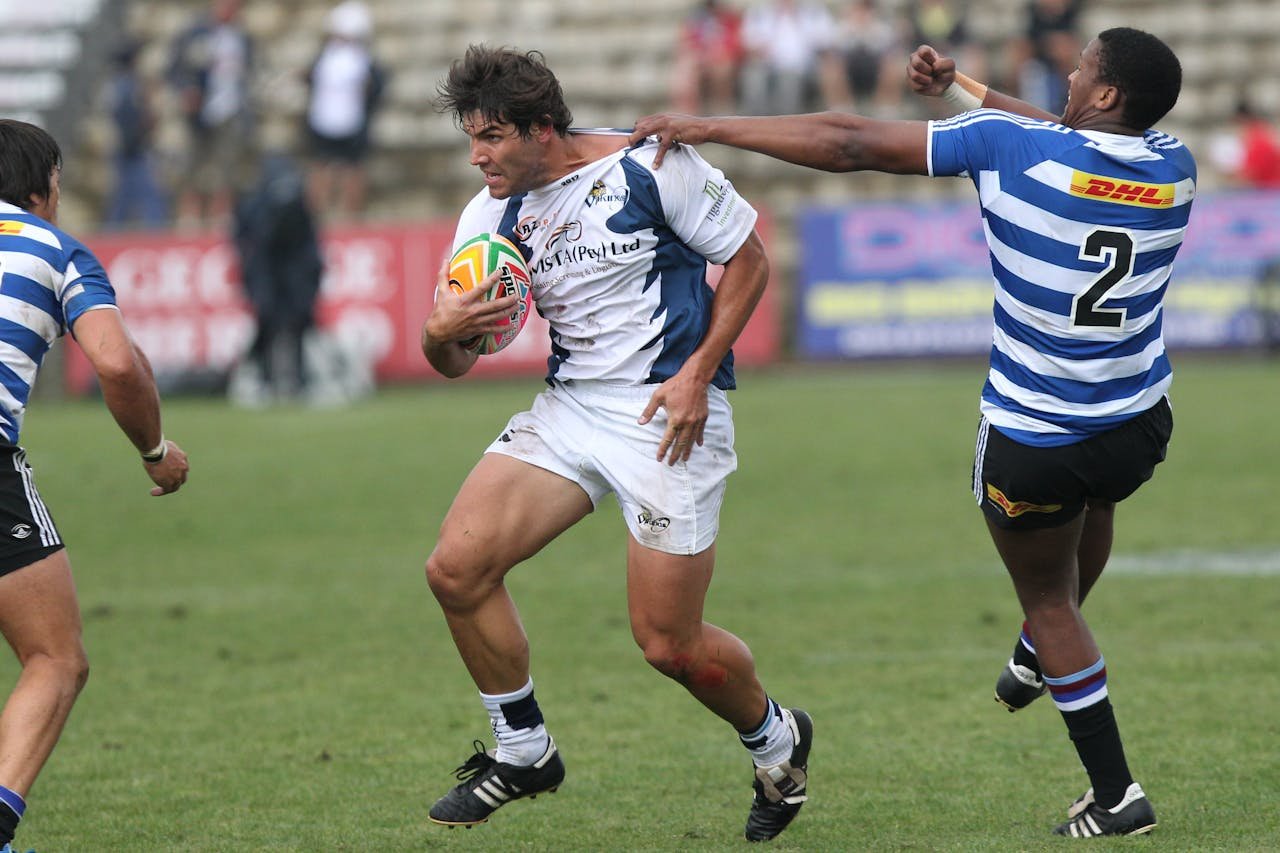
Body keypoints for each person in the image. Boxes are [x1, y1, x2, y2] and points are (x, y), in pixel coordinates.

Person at [633, 25, 1191, 838]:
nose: (1067, 77)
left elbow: (850, 139)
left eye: (1082, 71)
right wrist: (964, 87)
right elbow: (1051, 131)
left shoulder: (1014, 147)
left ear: (1105, 95)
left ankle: (1116, 793)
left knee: (1049, 595)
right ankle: (1040, 649)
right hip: (1138, 420)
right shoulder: (1176, 162)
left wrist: (709, 127)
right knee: (1094, 506)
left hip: (1038, 436)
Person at [421, 46, 810, 843]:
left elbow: (748, 261)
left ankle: (778, 740)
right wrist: (441, 332)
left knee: (669, 644)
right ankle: (523, 748)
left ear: (541, 128)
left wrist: (699, 373)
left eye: (492, 136)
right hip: (570, 409)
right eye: (471, 138)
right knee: (456, 568)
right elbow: (454, 361)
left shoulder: (650, 166)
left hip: (669, 413)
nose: (478, 156)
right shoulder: (488, 216)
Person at [0, 119, 190, 853]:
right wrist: (153, 448)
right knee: (55, 657)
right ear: (43, 189)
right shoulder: (56, 249)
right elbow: (114, 363)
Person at [231, 152, 324, 403]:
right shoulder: (264, 202)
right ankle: (266, 378)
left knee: (295, 325)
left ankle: (295, 379)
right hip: (273, 274)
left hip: (289, 275)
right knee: (269, 325)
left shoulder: (280, 202)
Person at [166, 0, 255, 228]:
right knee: (193, 163)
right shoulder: (196, 34)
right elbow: (175, 69)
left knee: (228, 165)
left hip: (230, 108)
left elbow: (248, 72)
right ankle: (190, 215)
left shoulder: (242, 38)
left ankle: (221, 215)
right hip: (200, 109)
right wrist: (186, 89)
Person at [303, 0, 388, 219]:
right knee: (322, 168)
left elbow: (375, 89)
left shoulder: (361, 60)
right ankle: (319, 215)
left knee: (352, 169)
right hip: (324, 121)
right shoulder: (327, 57)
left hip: (352, 122)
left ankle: (350, 216)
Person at [103, 38, 170, 229]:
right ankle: (155, 234)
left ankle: (113, 234)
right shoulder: (127, 85)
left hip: (126, 147)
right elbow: (130, 118)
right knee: (148, 194)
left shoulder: (116, 84)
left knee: (123, 196)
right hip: (132, 148)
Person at [669, 0, 744, 116]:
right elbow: (688, 42)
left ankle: (721, 112)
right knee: (686, 70)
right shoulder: (696, 20)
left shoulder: (731, 20)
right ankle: (686, 114)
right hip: (702, 58)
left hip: (722, 58)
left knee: (722, 70)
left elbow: (736, 44)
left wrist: (715, 54)